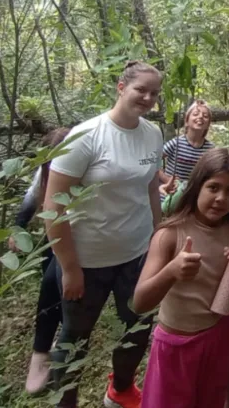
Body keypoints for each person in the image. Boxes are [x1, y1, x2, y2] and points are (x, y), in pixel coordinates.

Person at [43, 60, 165, 408]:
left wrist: (158, 236)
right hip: (88, 260)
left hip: (137, 254)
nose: (147, 98)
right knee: (74, 338)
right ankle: (66, 402)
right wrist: (69, 267)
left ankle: (121, 390)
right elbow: (54, 207)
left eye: (154, 93)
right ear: (121, 87)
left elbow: (151, 189)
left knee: (138, 326)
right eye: (141, 89)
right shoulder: (85, 136)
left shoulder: (152, 134)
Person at [132, 149, 229, 408]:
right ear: (196, 186)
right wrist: (171, 272)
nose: (221, 198)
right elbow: (140, 302)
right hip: (174, 345)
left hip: (216, 339)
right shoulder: (170, 234)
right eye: (213, 187)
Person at [7, 127, 70, 394]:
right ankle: (40, 352)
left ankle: (62, 340)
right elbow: (30, 199)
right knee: (50, 286)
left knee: (69, 291)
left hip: (81, 235)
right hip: (52, 234)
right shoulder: (44, 173)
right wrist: (18, 229)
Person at [159, 99, 215, 198]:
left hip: (192, 197)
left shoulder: (210, 149)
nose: (201, 117)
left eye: (205, 116)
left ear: (208, 124)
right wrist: (166, 179)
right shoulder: (176, 143)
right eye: (196, 114)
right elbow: (153, 161)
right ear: (186, 121)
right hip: (169, 195)